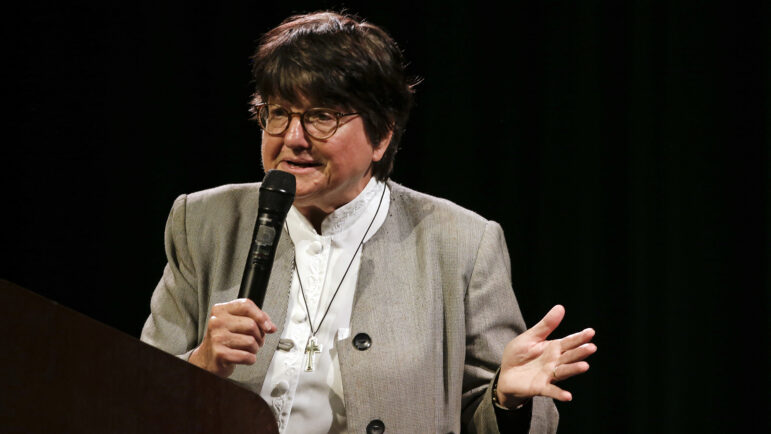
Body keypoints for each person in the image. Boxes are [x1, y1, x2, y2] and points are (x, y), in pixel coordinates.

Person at [141, 11, 596, 433]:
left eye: (321, 117)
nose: (293, 138)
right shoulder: (203, 222)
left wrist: (504, 398)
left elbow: (489, 415)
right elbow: (138, 392)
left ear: (381, 136)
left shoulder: (461, 242)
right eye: (278, 113)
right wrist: (200, 364)